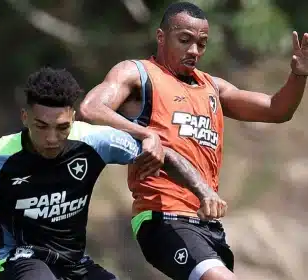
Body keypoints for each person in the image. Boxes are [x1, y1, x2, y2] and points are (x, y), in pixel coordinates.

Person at [0, 67, 219, 280]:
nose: (51, 138)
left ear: (73, 118)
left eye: (61, 127)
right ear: (24, 117)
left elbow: (163, 152)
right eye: (41, 126)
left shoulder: (94, 140)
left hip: (75, 263)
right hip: (21, 262)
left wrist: (203, 190)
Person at [79, 2, 308, 280]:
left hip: (207, 223)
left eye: (202, 44)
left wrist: (298, 75)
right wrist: (145, 133)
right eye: (184, 40)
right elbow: (91, 108)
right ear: (161, 37)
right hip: (162, 217)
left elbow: (277, 110)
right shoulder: (138, 74)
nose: (194, 51)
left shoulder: (213, 87)